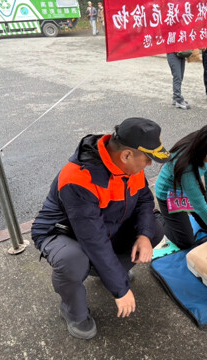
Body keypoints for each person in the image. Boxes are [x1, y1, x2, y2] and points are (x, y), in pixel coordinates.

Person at [31, 118, 170, 340]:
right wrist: (120, 289)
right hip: (62, 232)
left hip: (103, 226)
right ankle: (73, 311)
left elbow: (144, 200)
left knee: (155, 228)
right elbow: (93, 239)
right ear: (126, 155)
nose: (149, 165)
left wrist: (144, 235)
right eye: (147, 159)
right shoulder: (78, 178)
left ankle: (104, 272)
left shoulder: (130, 166)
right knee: (73, 261)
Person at [155, 123, 207, 249]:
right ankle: (156, 217)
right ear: (203, 150)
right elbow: (200, 207)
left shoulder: (206, 146)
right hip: (169, 193)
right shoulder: (187, 167)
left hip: (189, 189)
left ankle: (175, 218)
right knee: (186, 242)